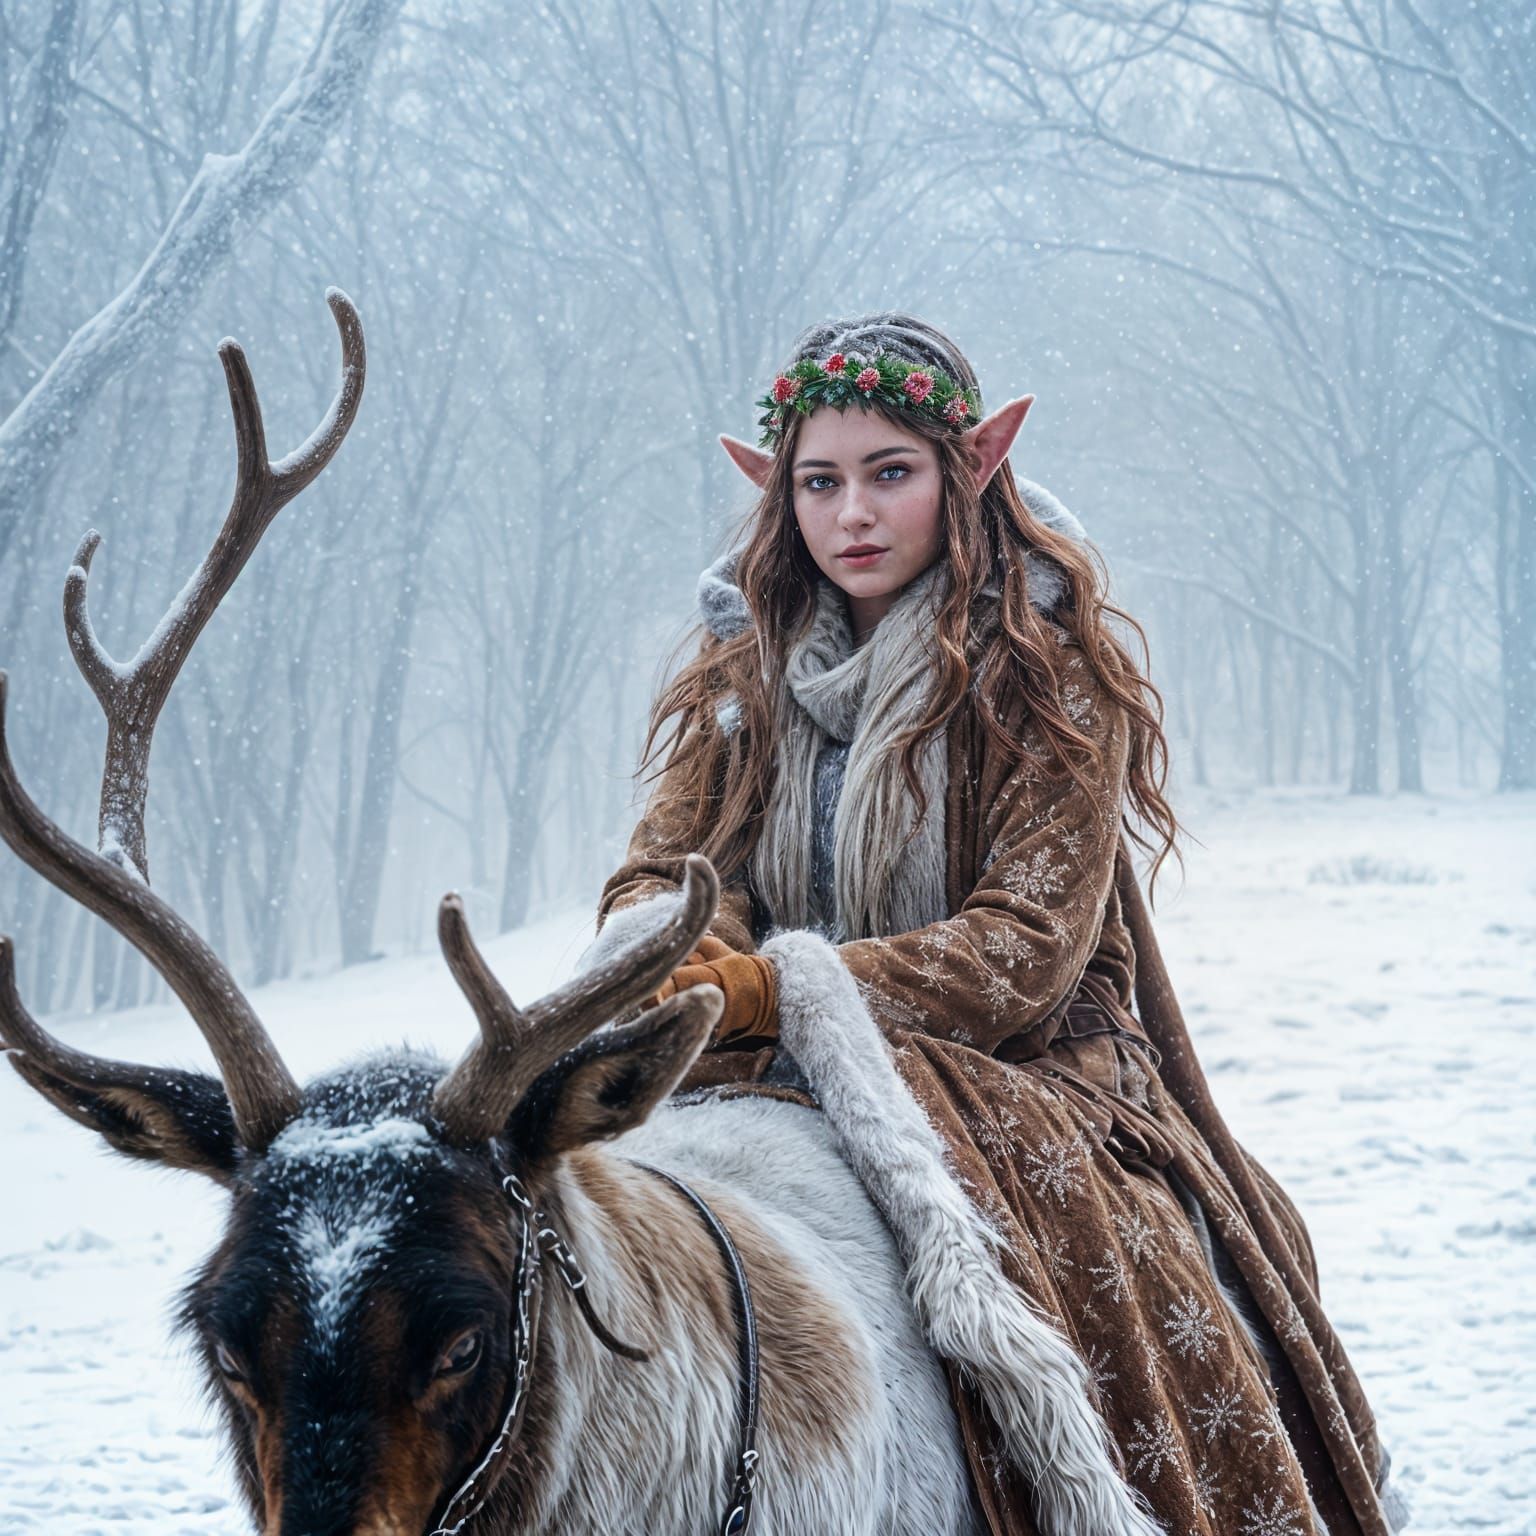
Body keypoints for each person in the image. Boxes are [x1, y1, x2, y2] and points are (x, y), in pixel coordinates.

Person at [592, 314, 1404, 1535]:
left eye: (890, 474)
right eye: (820, 482)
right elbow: (657, 867)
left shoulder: (1041, 665)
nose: (852, 514)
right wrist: (663, 946)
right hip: (759, 1057)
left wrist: (782, 988)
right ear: (779, 497)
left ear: (968, 470)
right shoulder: (739, 671)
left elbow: (1025, 944)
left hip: (1025, 1066)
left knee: (1112, 1296)